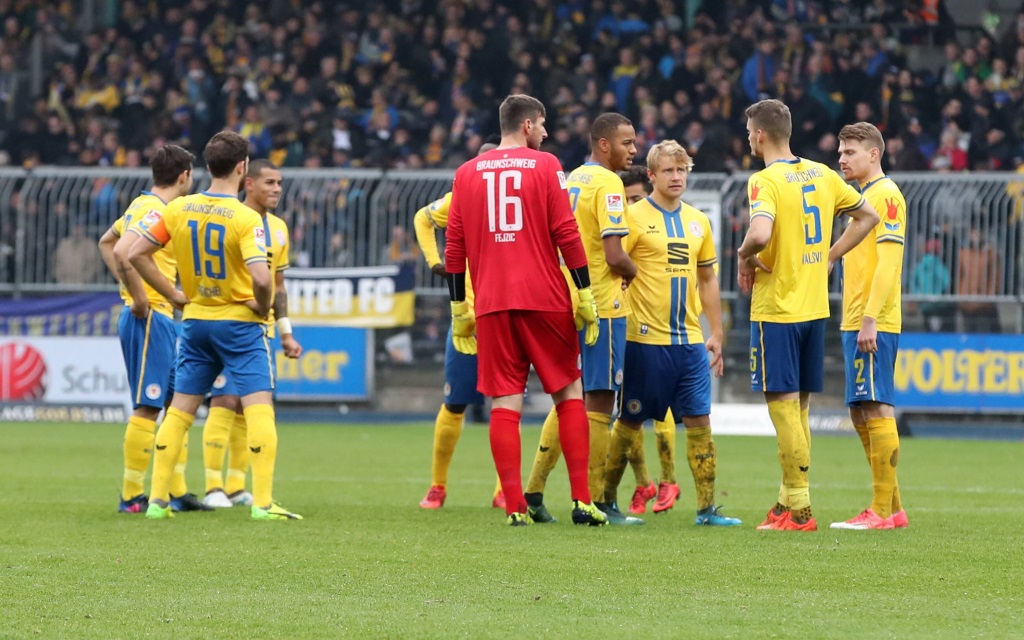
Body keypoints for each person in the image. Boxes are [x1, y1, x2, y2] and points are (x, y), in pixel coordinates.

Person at [444, 94, 606, 527]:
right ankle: (582, 501)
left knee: (505, 402)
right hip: (546, 298)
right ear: (529, 125)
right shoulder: (547, 165)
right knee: (569, 393)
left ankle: (515, 507)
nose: (547, 133)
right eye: (544, 125)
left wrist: (460, 307)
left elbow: (454, 246)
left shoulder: (465, 173)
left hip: (492, 304)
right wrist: (585, 293)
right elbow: (566, 232)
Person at [126, 131, 301, 521]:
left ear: (206, 167)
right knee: (258, 408)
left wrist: (173, 294)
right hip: (238, 324)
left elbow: (135, 252)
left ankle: (156, 502)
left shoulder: (180, 208)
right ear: (242, 168)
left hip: (195, 322)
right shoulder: (245, 217)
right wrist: (264, 307)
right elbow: (261, 277)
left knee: (180, 412)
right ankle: (262, 503)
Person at [736, 99, 879, 532]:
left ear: (760, 134)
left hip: (778, 309)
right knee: (798, 410)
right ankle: (785, 502)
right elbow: (867, 216)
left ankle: (800, 509)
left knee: (782, 410)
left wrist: (743, 256)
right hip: (815, 309)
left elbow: (759, 234)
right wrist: (830, 255)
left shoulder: (764, 180)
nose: (747, 139)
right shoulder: (823, 173)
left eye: (748, 132)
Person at [603, 141, 742, 527]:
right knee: (629, 423)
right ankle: (607, 501)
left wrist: (716, 332)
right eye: (668, 171)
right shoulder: (631, 217)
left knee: (700, 423)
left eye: (682, 170)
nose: (677, 177)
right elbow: (613, 266)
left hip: (689, 343)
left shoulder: (698, 221)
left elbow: (709, 278)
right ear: (651, 176)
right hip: (644, 342)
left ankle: (706, 509)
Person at [522, 112, 641, 526]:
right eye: (627, 142)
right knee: (599, 402)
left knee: (568, 397)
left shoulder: (571, 178)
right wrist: (632, 272)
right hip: (602, 304)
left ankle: (534, 490)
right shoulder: (610, 184)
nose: (634, 150)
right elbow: (613, 253)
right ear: (604, 144)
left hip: (563, 298)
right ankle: (592, 501)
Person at [99, 144, 210, 514]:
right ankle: (131, 496)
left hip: (159, 318)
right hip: (150, 316)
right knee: (149, 406)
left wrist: (132, 287)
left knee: (175, 403)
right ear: (184, 176)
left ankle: (175, 491)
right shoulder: (154, 210)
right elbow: (122, 252)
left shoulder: (140, 204)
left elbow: (107, 240)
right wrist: (139, 296)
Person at [201, 160, 304, 509]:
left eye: (280, 183)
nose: (277, 189)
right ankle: (213, 486)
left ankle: (234, 486)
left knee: (248, 407)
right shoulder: (231, 217)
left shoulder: (278, 228)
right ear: (249, 183)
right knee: (224, 399)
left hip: (259, 328)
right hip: (226, 322)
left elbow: (279, 285)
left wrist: (286, 333)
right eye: (270, 182)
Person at [412, 139, 506, 510]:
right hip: (467, 319)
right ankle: (438, 485)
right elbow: (422, 217)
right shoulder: (462, 197)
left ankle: (504, 489)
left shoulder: (515, 202)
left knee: (505, 404)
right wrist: (435, 261)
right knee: (454, 404)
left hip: (505, 317)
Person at [830, 122, 910, 530]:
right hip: (856, 318)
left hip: (871, 319)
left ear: (874, 154)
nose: (842, 158)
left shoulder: (886, 196)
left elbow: (890, 263)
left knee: (876, 405)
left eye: (850, 152)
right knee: (860, 410)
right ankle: (891, 506)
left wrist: (871, 318)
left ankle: (881, 510)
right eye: (841, 152)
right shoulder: (862, 199)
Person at [616, 165, 678, 516]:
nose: (631, 208)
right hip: (622, 324)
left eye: (637, 199)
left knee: (661, 407)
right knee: (630, 412)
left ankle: (669, 479)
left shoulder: (665, 228)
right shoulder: (621, 232)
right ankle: (644, 482)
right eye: (626, 201)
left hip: (659, 327)